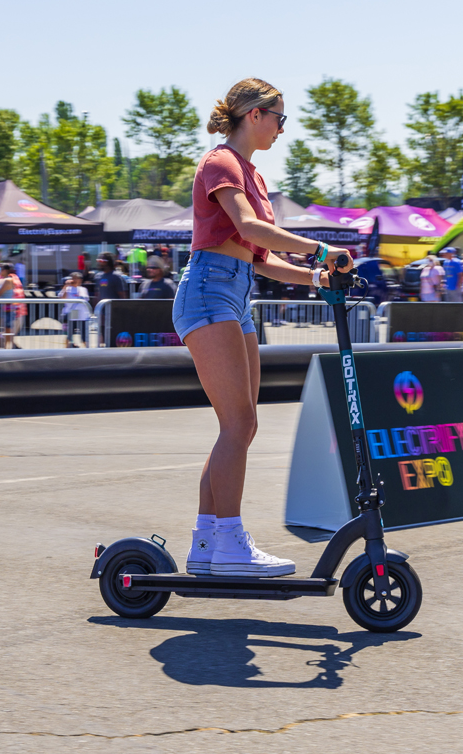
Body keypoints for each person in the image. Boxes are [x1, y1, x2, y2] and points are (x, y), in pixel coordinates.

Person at [178, 77, 354, 578]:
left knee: (242, 425)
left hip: (235, 292)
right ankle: (230, 542)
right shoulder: (221, 162)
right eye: (279, 117)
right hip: (209, 290)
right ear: (254, 114)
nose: (282, 128)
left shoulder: (251, 175)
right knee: (238, 425)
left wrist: (317, 278)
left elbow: (262, 259)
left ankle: (208, 542)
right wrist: (320, 248)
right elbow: (250, 229)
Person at [58, 272, 91, 347]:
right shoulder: (68, 288)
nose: (75, 280)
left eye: (77, 278)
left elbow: (85, 299)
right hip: (73, 313)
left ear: (80, 280)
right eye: (73, 278)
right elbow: (61, 297)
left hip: (83, 314)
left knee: (84, 335)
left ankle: (87, 349)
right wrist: (66, 286)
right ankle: (67, 347)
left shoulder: (83, 289)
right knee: (70, 333)